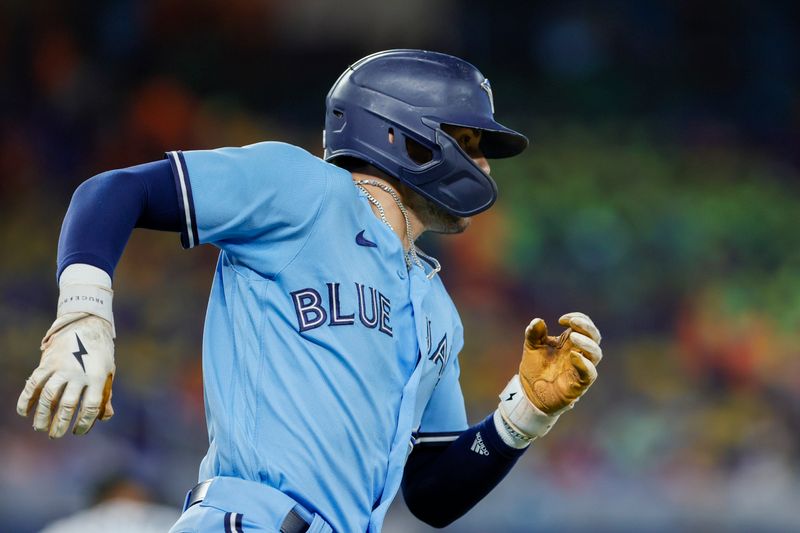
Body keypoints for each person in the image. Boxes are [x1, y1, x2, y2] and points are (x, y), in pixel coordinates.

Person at [16, 50, 603, 532]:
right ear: (407, 137)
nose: (484, 165)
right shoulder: (302, 188)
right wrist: (84, 311)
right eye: (470, 142)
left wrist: (524, 414)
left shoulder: (436, 309)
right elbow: (113, 192)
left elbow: (432, 494)